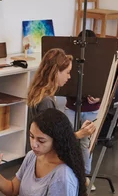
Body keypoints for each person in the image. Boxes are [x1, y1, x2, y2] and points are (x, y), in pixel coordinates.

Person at [26, 48, 96, 180]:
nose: (69, 77)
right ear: (55, 72)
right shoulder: (46, 101)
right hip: (44, 159)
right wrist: (81, 134)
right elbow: (53, 141)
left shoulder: (38, 92)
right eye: (67, 72)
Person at [63, 30, 104, 190]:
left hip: (92, 110)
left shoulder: (100, 61)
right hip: (72, 108)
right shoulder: (71, 62)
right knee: (68, 140)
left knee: (86, 144)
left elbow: (109, 84)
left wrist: (99, 97)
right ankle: (68, 174)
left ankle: (84, 177)